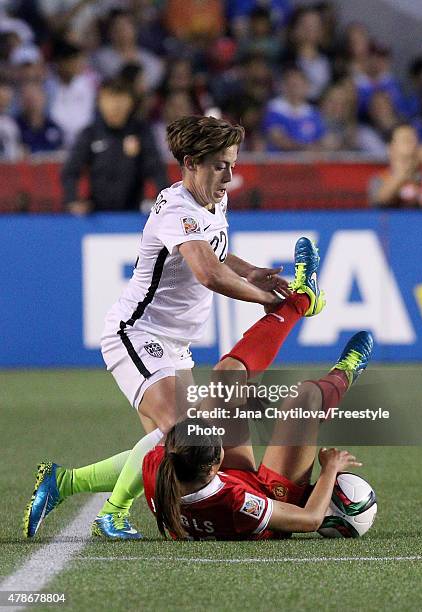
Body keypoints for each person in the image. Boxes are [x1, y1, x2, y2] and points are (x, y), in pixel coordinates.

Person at [23, 230, 325, 539]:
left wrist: (248, 273)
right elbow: (209, 274)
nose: (227, 179)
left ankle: (69, 485)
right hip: (142, 333)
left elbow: (209, 256)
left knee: (179, 435)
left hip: (165, 340)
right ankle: (106, 508)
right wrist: (330, 474)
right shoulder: (181, 208)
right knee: (196, 413)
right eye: (221, 176)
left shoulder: (202, 208)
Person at [148, 330, 373, 541]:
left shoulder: (158, 464)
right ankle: (343, 374)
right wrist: (330, 468)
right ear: (214, 468)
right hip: (270, 496)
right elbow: (311, 519)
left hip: (219, 481)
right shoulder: (236, 501)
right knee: (306, 399)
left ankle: (289, 311)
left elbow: (182, 431)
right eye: (219, 447)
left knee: (227, 377)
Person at [61, 76, 168, 215]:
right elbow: (70, 171)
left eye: (121, 99)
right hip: (96, 215)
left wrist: (165, 202)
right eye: (109, 99)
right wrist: (72, 201)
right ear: (99, 102)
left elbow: (156, 169)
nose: (115, 106)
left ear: (131, 103)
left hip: (134, 214)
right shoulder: (91, 133)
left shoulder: (141, 131)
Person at [368, 124, 422, 208]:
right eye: (406, 140)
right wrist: (412, 164)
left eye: (415, 140)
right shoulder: (380, 179)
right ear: (391, 148)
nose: (413, 144)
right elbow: (382, 199)